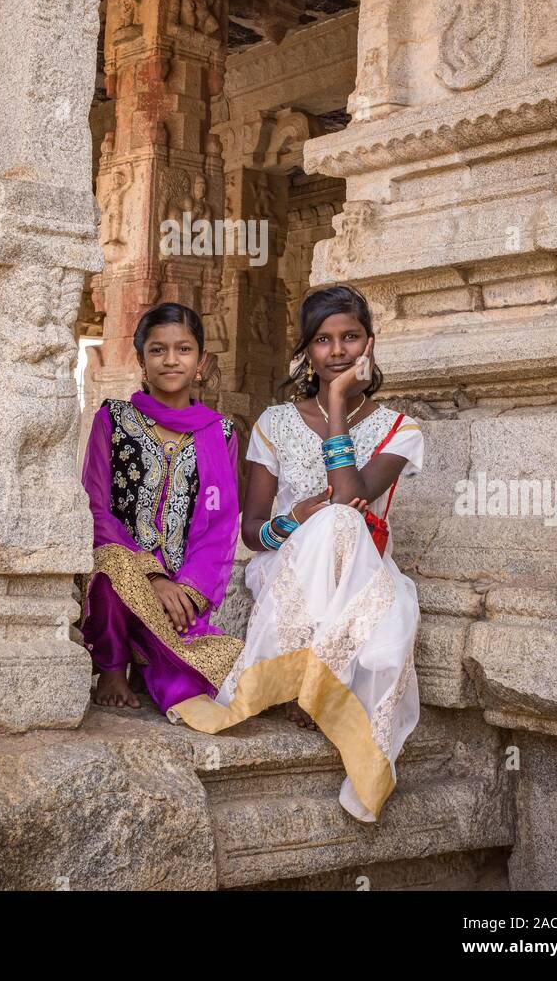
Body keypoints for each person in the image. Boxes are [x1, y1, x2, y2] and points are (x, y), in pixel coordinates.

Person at [168, 285, 424, 823]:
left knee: (341, 525)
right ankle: (310, 684)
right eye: (323, 340)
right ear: (306, 351)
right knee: (328, 522)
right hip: (286, 568)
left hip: (362, 569)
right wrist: (295, 520)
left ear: (369, 343)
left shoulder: (401, 430)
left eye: (350, 337)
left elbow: (351, 494)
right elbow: (255, 532)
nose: (338, 351)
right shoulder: (275, 423)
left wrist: (335, 405)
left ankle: (312, 684)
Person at [80, 302, 243, 713]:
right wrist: (149, 575)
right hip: (119, 574)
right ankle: (113, 668)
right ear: (141, 359)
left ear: (201, 360)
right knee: (111, 567)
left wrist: (188, 588)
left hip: (182, 588)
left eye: (183, 349)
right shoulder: (113, 420)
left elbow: (218, 525)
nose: (171, 360)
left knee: (201, 686)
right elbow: (96, 506)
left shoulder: (218, 433)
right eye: (157, 350)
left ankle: (155, 659)